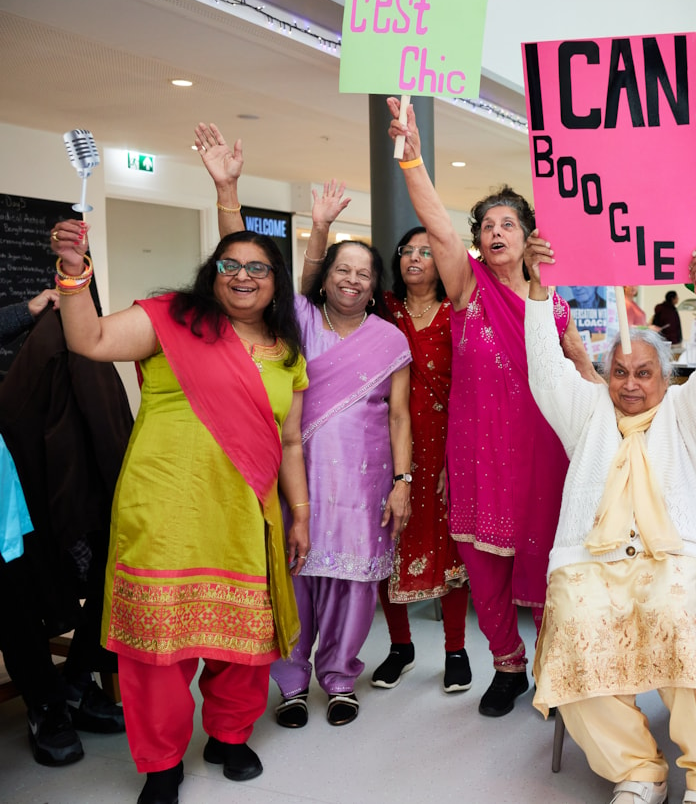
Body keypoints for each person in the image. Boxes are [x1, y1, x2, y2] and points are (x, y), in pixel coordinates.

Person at [49, 219, 310, 804]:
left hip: (246, 512)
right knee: (156, 649)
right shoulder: (171, 320)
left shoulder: (287, 351)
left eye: (258, 268)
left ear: (276, 282)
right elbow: (87, 340)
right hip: (163, 508)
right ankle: (162, 764)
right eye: (230, 265)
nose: (243, 276)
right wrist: (72, 274)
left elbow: (290, 441)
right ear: (212, 274)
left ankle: (229, 736)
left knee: (243, 639)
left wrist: (301, 512)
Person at [195, 126, 414, 728]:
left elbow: (398, 415)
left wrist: (403, 480)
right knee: (296, 576)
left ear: (375, 287)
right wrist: (230, 191)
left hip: (366, 478)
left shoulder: (391, 340)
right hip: (299, 475)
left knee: (352, 587)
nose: (351, 280)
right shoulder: (298, 322)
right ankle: (290, 684)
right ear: (327, 278)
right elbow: (243, 266)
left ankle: (341, 678)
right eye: (342, 270)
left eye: (363, 274)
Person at [387, 99, 597, 717]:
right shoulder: (466, 287)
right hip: (478, 450)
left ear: (529, 236)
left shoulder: (551, 301)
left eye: (508, 223)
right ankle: (506, 667)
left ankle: (549, 670)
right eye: (487, 226)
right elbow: (436, 224)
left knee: (546, 566)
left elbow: (580, 372)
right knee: (484, 567)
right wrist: (412, 158)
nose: (495, 232)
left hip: (543, 451)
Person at [526, 237, 696, 804]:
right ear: (605, 376)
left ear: (665, 375)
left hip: (677, 558)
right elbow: (546, 370)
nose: (630, 383)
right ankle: (636, 770)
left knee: (681, 616)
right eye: (619, 371)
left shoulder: (686, 413)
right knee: (572, 626)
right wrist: (538, 288)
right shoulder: (586, 411)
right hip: (590, 561)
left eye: (644, 372)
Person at [0, 295, 132, 767]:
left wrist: (31, 311)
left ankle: (73, 683)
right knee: (10, 590)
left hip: (12, 469)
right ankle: (49, 703)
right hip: (22, 455)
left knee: (113, 557)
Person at [368, 225, 472, 694]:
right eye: (406, 250)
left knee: (451, 548)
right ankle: (400, 647)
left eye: (425, 252)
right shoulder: (382, 311)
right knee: (389, 545)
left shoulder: (460, 313)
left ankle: (455, 650)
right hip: (386, 444)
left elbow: (471, 388)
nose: (414, 258)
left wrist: (460, 457)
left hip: (448, 444)